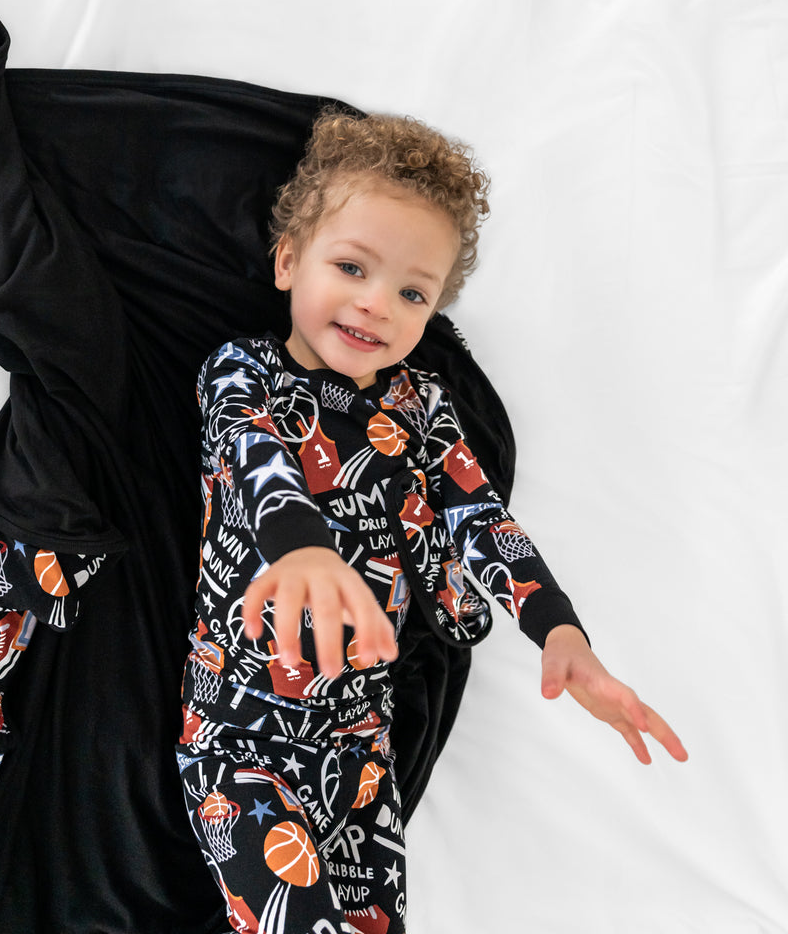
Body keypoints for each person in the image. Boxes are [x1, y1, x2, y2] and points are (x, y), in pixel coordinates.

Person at [176, 110, 688, 933]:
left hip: (359, 755)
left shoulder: (422, 409)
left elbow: (481, 518)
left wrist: (561, 633)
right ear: (286, 262)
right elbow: (254, 456)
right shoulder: (243, 373)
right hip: (240, 743)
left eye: (413, 292)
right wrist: (303, 549)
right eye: (351, 266)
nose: (377, 304)